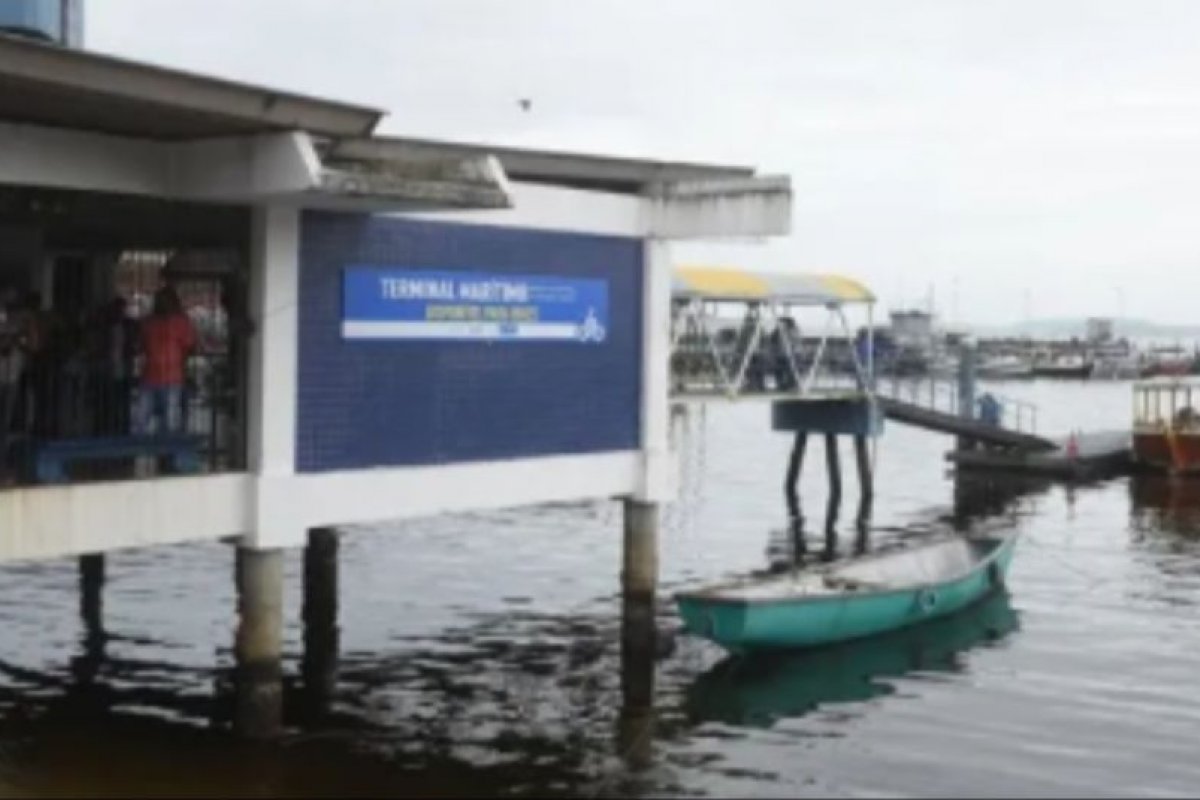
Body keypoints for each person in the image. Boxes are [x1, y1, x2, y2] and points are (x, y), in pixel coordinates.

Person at [138, 286, 196, 436]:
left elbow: (141, 345)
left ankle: (140, 448)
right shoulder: (181, 322)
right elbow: (190, 345)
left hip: (154, 375)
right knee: (169, 421)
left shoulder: (149, 322)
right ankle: (168, 449)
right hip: (171, 375)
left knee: (142, 420)